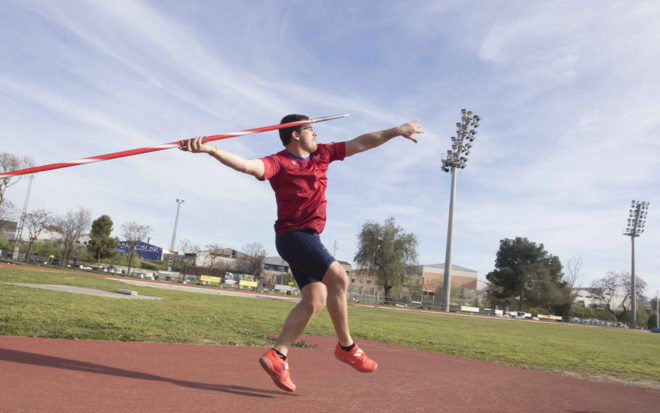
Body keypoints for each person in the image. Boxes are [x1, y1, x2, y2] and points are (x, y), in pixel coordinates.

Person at [180, 114, 423, 392]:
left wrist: (396, 131)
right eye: (311, 130)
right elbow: (249, 166)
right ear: (295, 134)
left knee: (315, 299)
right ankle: (347, 347)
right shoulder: (279, 162)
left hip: (307, 238)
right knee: (340, 279)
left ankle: (278, 355)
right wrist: (211, 149)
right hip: (294, 237)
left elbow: (361, 143)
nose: (316, 135)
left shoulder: (322, 154)